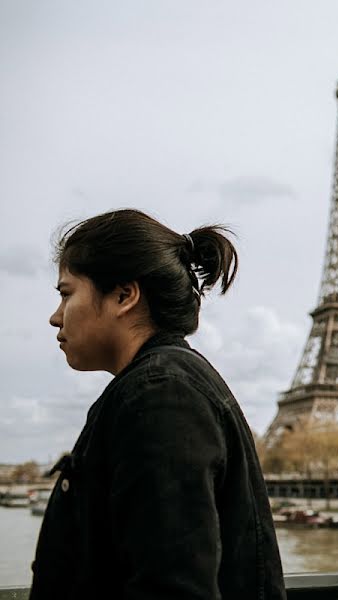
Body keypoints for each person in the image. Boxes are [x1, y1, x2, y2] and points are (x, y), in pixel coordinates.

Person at [31, 209, 285, 599]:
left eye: (66, 294)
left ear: (123, 295)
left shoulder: (160, 396)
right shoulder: (166, 383)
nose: (55, 317)